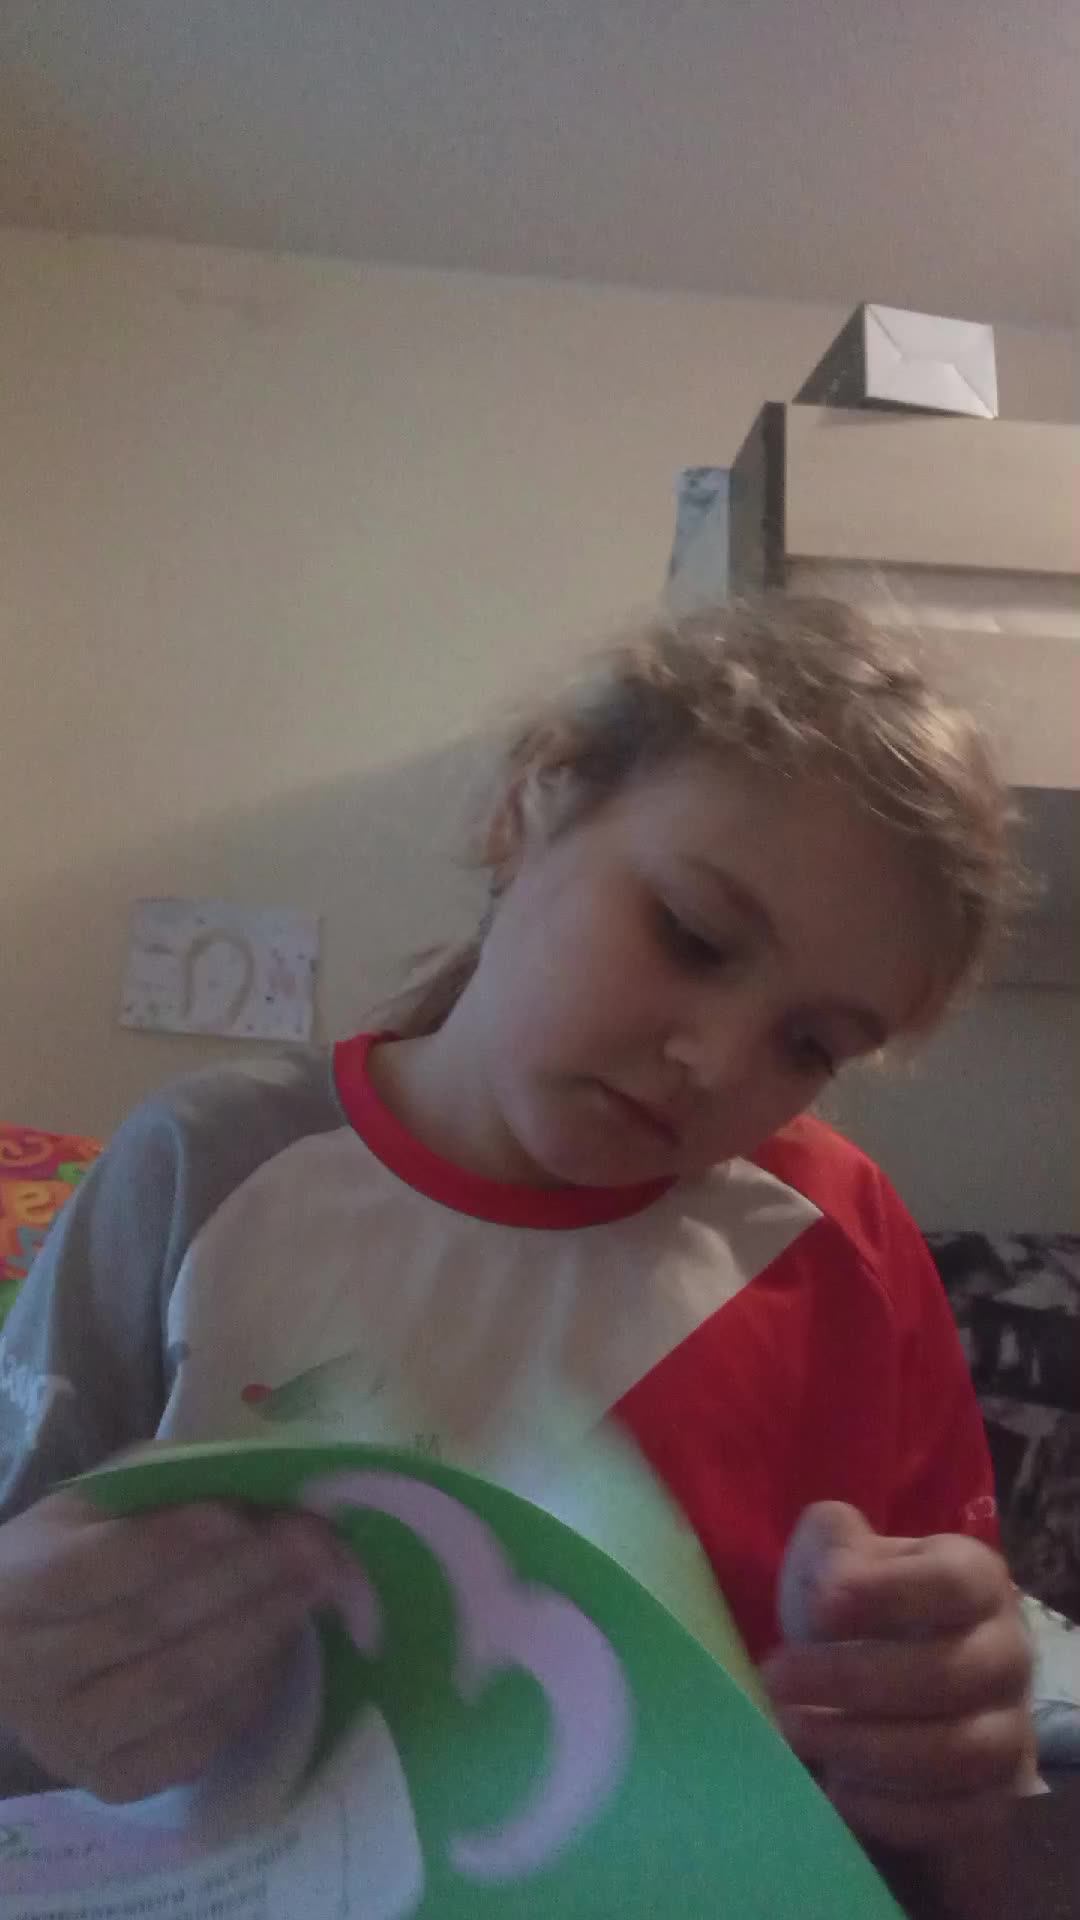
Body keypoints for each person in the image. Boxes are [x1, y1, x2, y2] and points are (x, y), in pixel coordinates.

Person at [0, 597, 1034, 1872]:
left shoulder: (841, 1239)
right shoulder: (201, 1168)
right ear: (532, 804)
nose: (717, 1061)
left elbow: (942, 1712)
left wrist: (961, 1711)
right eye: (693, 938)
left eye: (811, 1045)